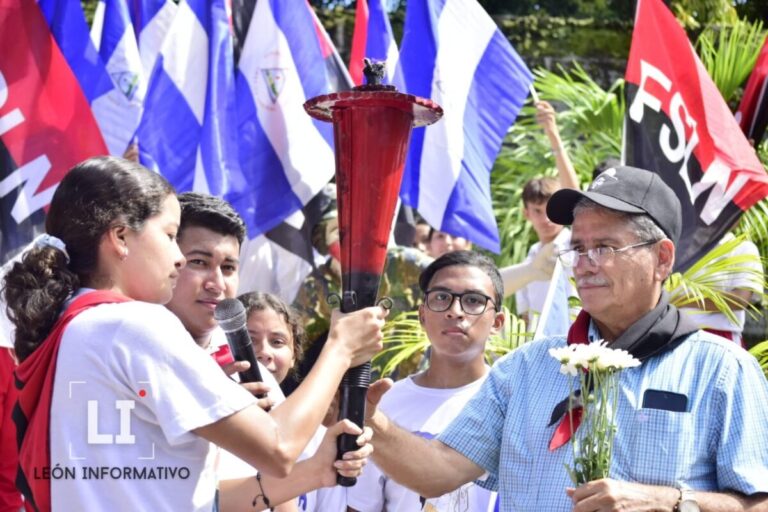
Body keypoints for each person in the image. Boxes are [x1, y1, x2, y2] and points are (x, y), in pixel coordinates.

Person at [363, 166, 768, 510]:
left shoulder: (721, 369)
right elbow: (438, 471)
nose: (584, 266)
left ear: (661, 259)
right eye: (578, 248)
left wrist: (669, 501)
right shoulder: (525, 368)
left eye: (604, 247)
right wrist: (369, 421)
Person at [2, 156, 385, 512]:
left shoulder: (72, 325)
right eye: (170, 235)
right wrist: (340, 347)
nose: (178, 257)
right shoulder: (133, 325)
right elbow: (278, 448)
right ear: (120, 237)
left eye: (229, 267)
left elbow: (178, 495)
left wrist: (315, 472)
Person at [347, 251, 502, 512]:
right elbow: (360, 505)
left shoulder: (512, 402)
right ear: (422, 315)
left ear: (497, 322)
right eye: (441, 297)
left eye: (473, 301)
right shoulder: (381, 405)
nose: (455, 311)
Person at [237, 291, 345, 512]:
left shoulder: (317, 436)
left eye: (277, 342)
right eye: (249, 340)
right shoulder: (209, 423)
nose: (264, 352)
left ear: (294, 355)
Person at [678, 232, 764, 346]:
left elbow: (739, 300)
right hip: (674, 334)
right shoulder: (678, 245)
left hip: (719, 338)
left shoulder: (743, 248)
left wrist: (682, 300)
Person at [515, 177, 577, 328]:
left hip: (578, 337)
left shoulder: (577, 247)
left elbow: (577, 196)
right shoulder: (529, 259)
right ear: (526, 213)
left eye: (551, 209)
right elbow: (526, 317)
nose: (546, 219)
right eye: (537, 211)